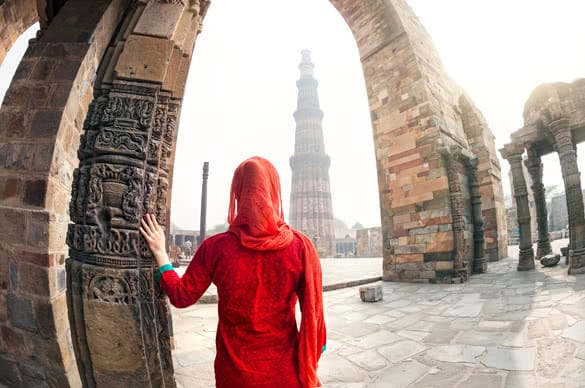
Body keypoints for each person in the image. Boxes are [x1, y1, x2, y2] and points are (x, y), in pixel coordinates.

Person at [140, 156, 326, 388]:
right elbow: (314, 316)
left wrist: (160, 253)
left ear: (238, 193)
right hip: (284, 373)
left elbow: (181, 295)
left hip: (235, 375)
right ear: (273, 191)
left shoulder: (216, 248)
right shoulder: (299, 248)